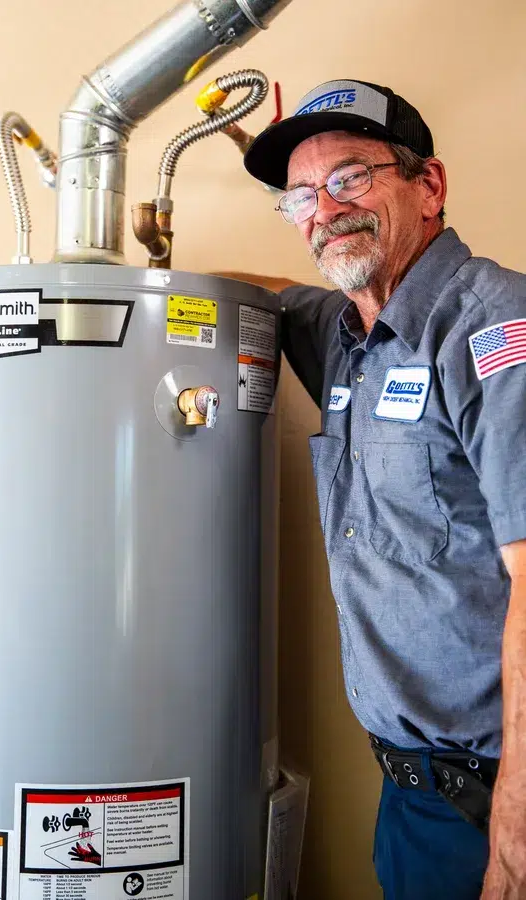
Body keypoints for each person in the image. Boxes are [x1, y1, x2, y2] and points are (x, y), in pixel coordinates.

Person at [224, 79, 526, 899]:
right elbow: (261, 296)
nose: (325, 210)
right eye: (300, 198)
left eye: (351, 177)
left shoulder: (497, 330)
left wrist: (512, 838)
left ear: (427, 185)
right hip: (412, 795)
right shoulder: (344, 333)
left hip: (495, 797)